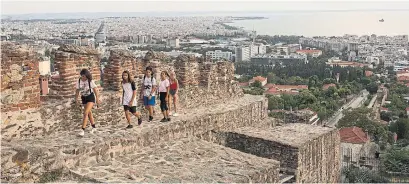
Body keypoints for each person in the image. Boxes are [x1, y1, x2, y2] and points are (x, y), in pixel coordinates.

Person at [75, 69, 100, 136]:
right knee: (89, 113)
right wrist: (76, 99)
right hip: (83, 98)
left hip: (90, 97)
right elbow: (77, 90)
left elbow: (95, 90)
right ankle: (94, 127)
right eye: (82, 76)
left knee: (85, 113)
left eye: (85, 76)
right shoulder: (79, 81)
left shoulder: (90, 81)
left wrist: (97, 99)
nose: (84, 78)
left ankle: (82, 130)